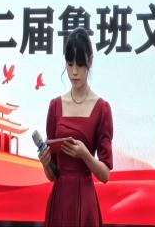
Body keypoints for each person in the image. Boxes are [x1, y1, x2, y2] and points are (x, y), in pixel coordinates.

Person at [39, 27, 113, 227]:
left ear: (90, 61)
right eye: (70, 64)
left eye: (80, 64)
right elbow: (52, 175)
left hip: (85, 198)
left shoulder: (102, 109)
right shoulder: (55, 106)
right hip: (60, 198)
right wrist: (45, 163)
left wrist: (85, 155)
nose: (74, 72)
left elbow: (105, 175)